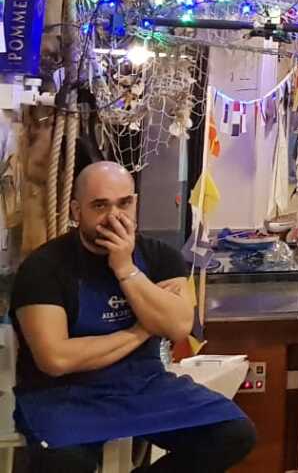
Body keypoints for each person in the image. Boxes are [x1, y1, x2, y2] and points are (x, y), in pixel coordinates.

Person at [10, 161, 256, 472]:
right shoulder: (44, 267)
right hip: (64, 395)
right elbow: (56, 359)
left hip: (144, 385)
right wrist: (143, 329)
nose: (114, 217)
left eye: (124, 203)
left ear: (135, 203)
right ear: (76, 210)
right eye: (100, 206)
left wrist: (125, 268)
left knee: (233, 433)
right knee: (64, 463)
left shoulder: (160, 257)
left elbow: (179, 327)